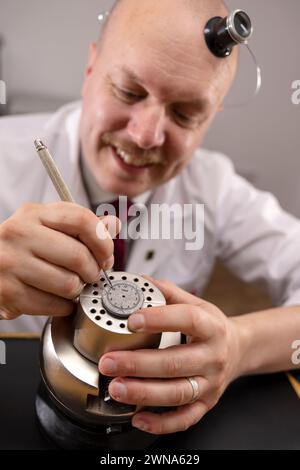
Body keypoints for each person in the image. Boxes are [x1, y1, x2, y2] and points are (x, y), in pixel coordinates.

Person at [0, 0, 300, 436]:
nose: (144, 135)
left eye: (184, 114)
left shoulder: (215, 187)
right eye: (128, 91)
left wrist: (241, 346)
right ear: (90, 69)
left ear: (210, 118)